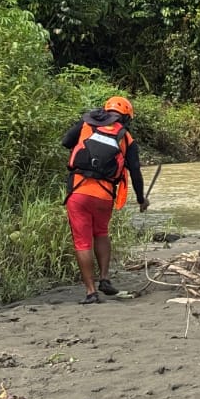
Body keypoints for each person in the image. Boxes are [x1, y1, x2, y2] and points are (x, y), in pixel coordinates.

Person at [61, 95, 149, 304]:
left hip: (78, 191)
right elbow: (135, 171)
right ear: (127, 117)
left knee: (83, 243)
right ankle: (105, 279)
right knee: (101, 233)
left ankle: (91, 292)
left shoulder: (86, 123)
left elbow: (66, 142)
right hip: (105, 195)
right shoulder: (125, 137)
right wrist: (140, 199)